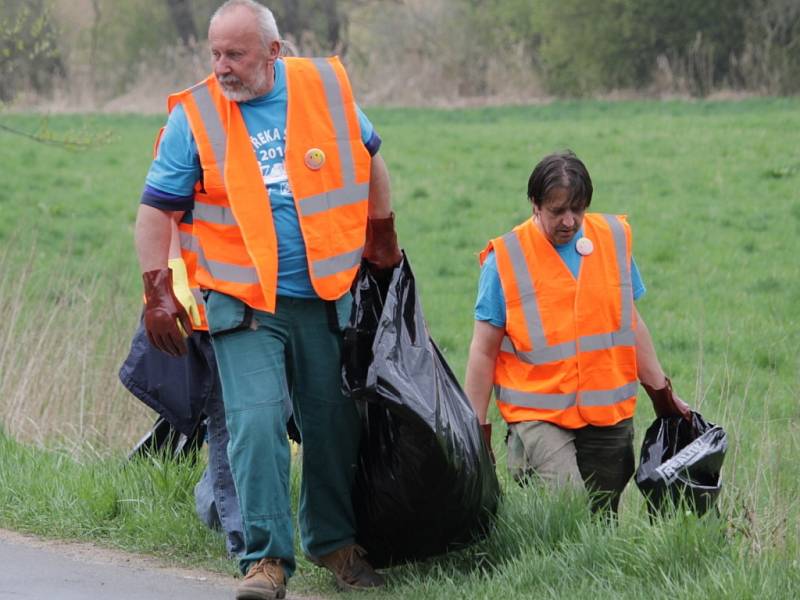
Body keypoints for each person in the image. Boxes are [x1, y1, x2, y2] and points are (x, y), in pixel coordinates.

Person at [134, 1, 400, 598]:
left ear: (273, 52)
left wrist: (382, 235)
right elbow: (156, 208)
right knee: (255, 428)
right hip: (243, 301)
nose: (222, 67)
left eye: (236, 54)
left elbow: (370, 155)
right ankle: (267, 563)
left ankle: (334, 543)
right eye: (215, 54)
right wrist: (158, 292)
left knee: (333, 427)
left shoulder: (323, 89)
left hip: (323, 293)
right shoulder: (196, 115)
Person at [464, 150, 691, 515]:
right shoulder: (505, 258)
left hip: (606, 410)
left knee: (603, 517)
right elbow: (483, 351)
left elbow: (630, 323)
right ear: (535, 205)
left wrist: (662, 395)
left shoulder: (613, 239)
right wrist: (476, 433)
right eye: (557, 212)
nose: (569, 222)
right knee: (567, 506)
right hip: (538, 412)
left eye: (578, 210)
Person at [120, 216, 245, 558]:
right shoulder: (187, 160)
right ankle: (240, 535)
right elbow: (161, 210)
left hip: (253, 298)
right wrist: (171, 282)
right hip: (201, 302)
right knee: (228, 418)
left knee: (249, 416)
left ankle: (220, 509)